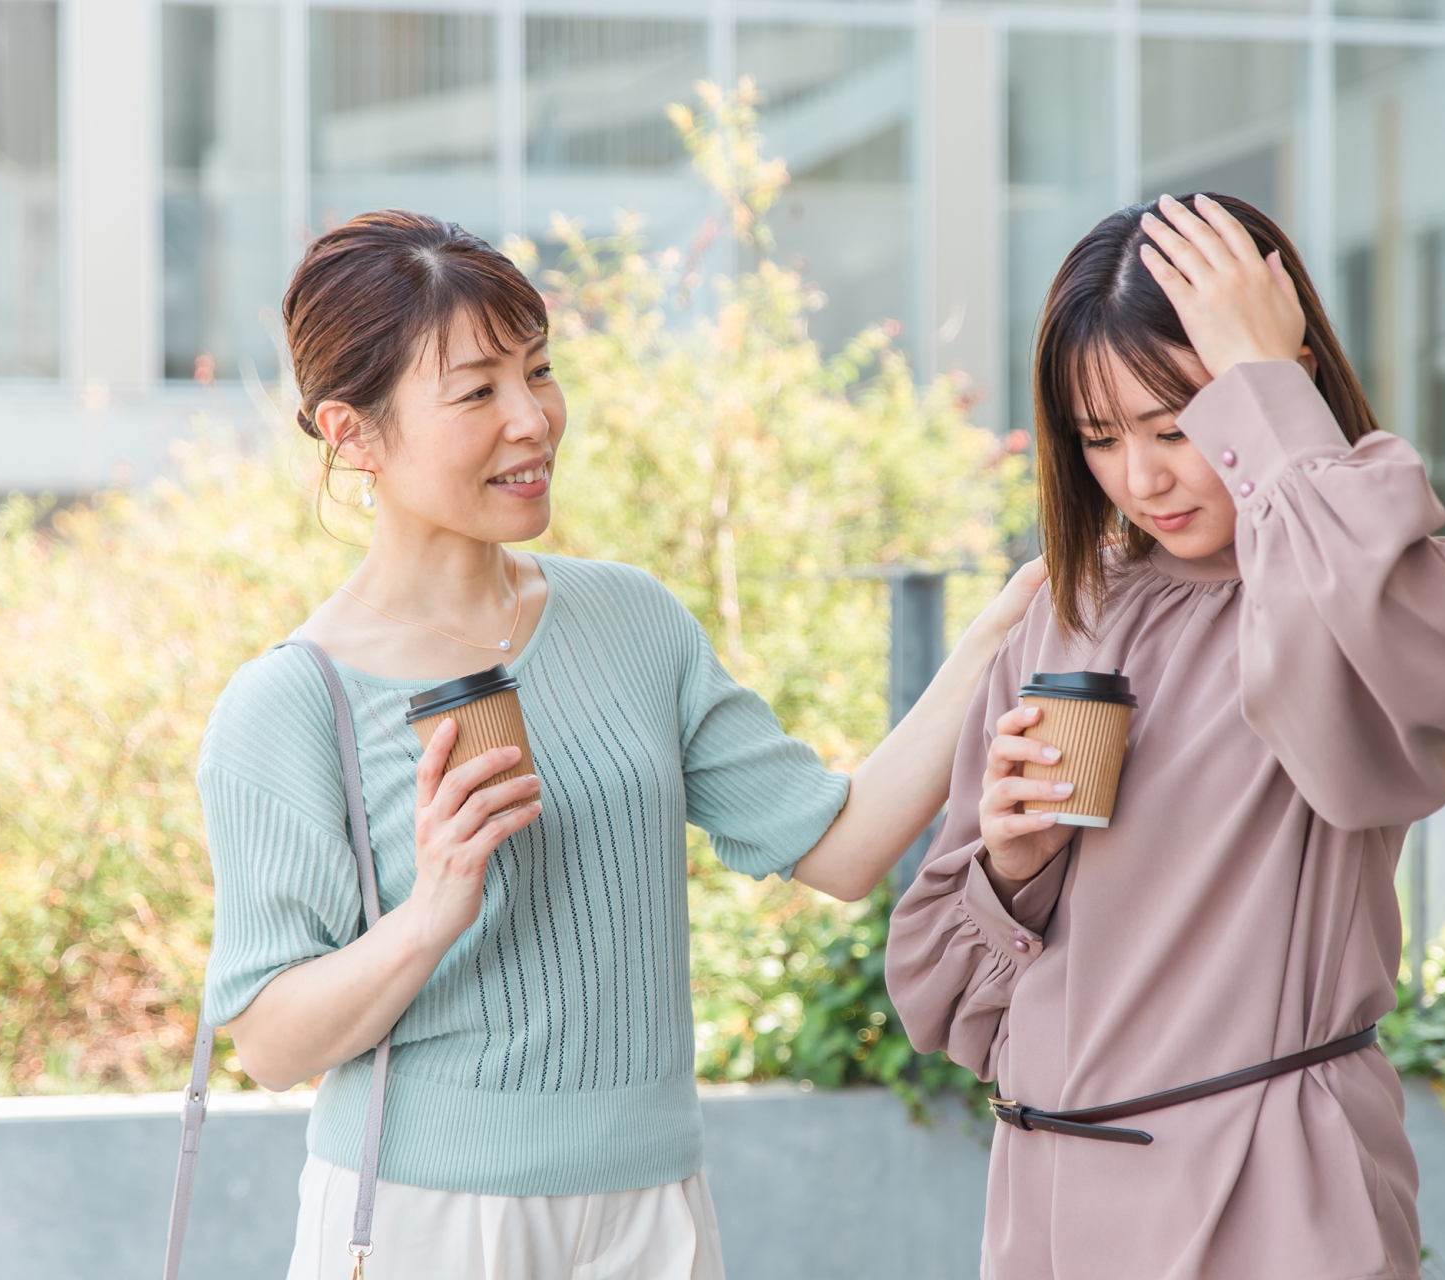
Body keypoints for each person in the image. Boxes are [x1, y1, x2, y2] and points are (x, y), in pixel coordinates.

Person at [196, 209, 1043, 1280]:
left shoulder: (632, 621)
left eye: (537, 371)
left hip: (653, 1204)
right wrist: (432, 912)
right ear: (352, 433)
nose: (533, 419)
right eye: (477, 391)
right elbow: (269, 1044)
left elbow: (839, 843)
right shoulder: (287, 703)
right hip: (430, 1220)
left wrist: (1002, 628)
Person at [884, 193, 1445, 1280]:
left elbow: (1427, 681)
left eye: (1176, 425)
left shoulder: (1381, 593)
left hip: (1269, 1195)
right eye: (1100, 437)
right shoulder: (1072, 607)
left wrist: (1269, 392)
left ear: (1282, 376)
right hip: (1045, 1205)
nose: (1142, 478)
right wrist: (1008, 863)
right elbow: (939, 992)